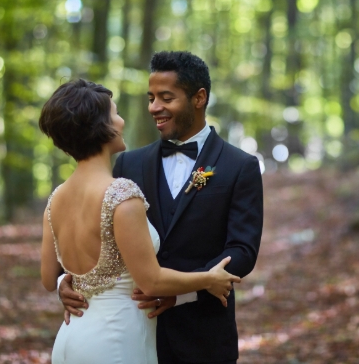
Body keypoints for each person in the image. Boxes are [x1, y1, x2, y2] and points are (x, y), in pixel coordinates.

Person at [59, 51, 264, 363]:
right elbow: (94, 229)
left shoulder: (240, 166)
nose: (154, 108)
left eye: (166, 98)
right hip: (131, 331)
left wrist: (181, 291)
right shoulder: (129, 162)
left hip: (204, 336)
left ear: (199, 98)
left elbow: (242, 250)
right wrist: (66, 281)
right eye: (151, 97)